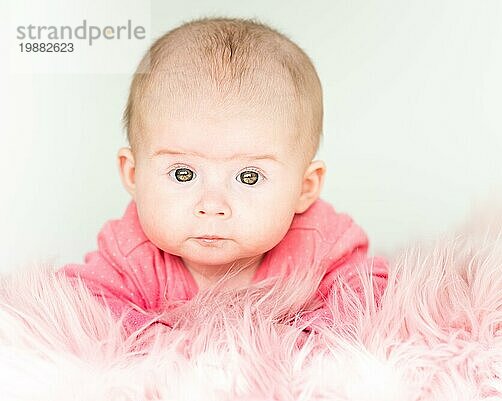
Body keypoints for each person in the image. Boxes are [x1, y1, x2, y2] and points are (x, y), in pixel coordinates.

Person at [57, 17, 388, 338]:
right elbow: (84, 303)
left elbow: (368, 292)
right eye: (183, 174)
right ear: (133, 173)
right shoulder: (131, 251)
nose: (212, 205)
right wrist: (155, 341)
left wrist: (306, 338)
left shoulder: (319, 242)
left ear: (305, 187)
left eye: (248, 177)